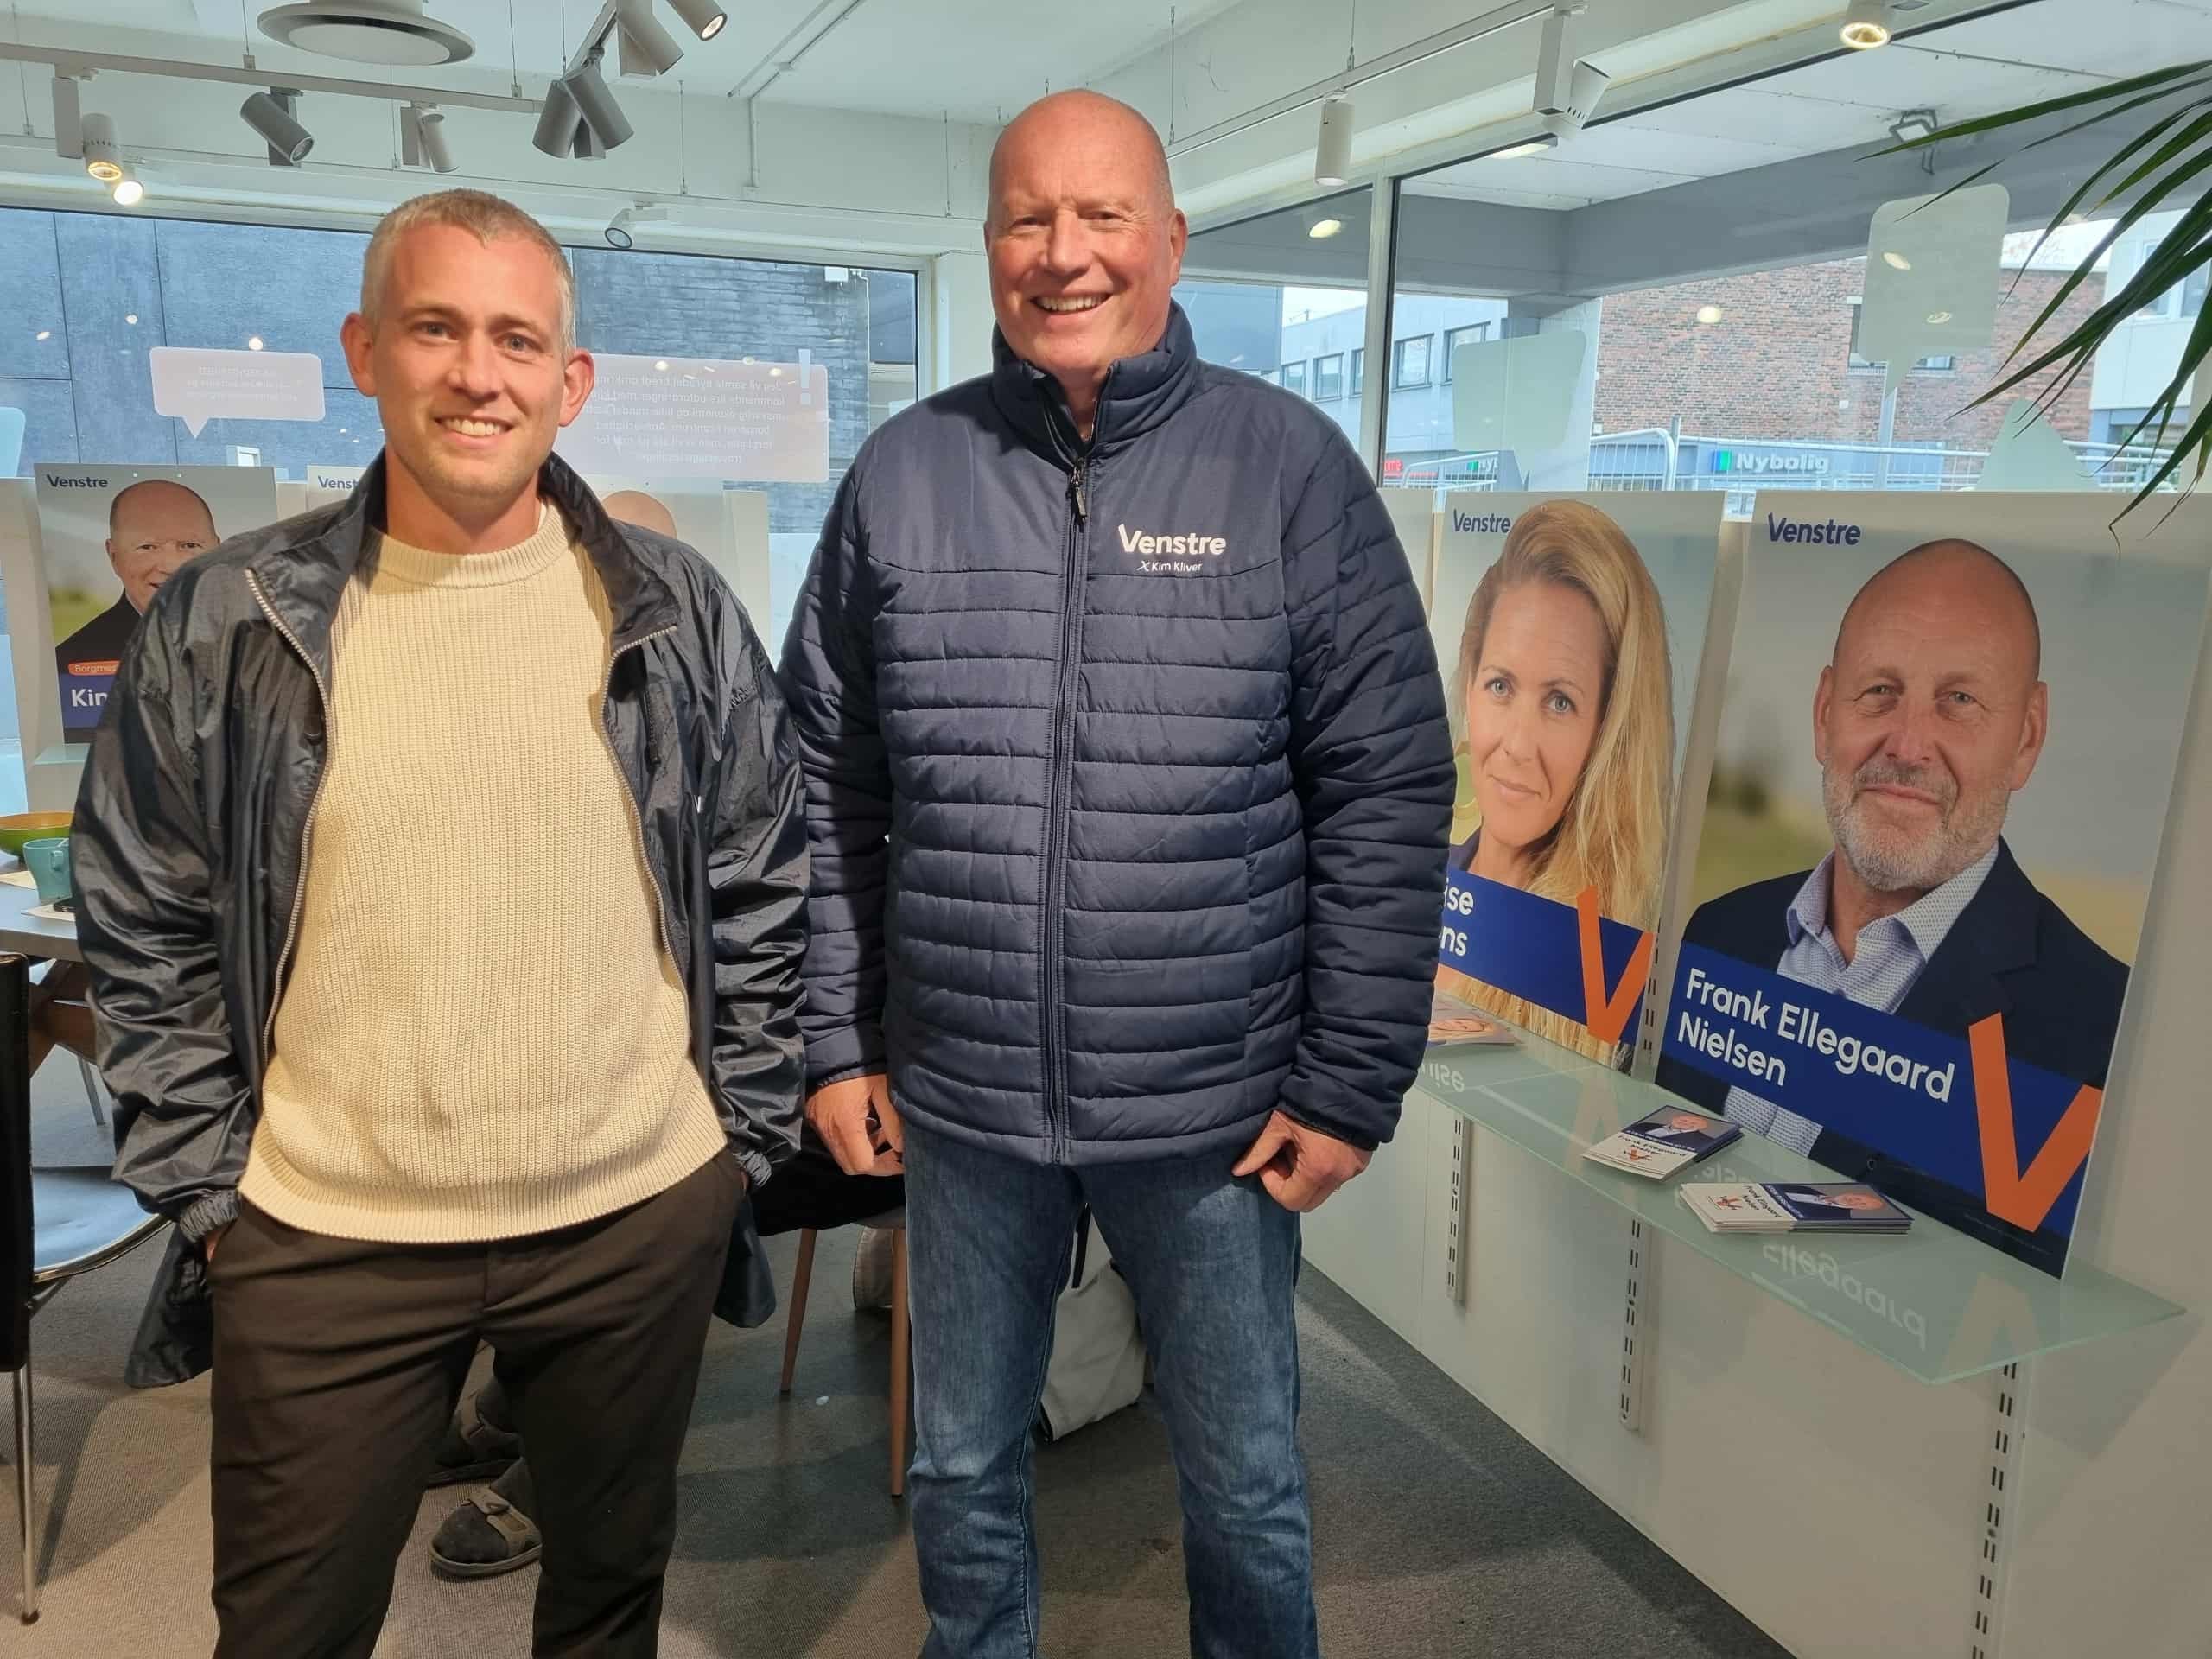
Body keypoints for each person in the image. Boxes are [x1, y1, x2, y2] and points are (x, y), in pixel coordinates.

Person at [73, 187, 807, 1659]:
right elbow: (143, 912)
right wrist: (214, 1199)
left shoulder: (678, 608)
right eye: (436, 329)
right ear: (366, 350)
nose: (479, 373)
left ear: (569, 379)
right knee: (286, 1628)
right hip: (323, 1230)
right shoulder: (228, 617)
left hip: (632, 1213)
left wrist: (737, 1146)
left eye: (517, 339)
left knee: (607, 1607)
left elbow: (762, 871)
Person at [781, 90, 1454, 1659]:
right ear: (989, 243)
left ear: (1170, 241)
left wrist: (1350, 1081)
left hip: (1214, 1106)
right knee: (959, 1467)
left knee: (1246, 1482)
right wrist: (835, 1040)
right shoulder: (905, 472)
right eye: (1029, 218)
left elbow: (1385, 784)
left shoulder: (1288, 470)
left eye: (1102, 217)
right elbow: (823, 782)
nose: (1064, 253)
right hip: (964, 1099)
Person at [1656, 539, 2126, 1264]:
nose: (1907, 745)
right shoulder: (1722, 931)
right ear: (1825, 715)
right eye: (1879, 690)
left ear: (2027, 739)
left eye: (1959, 701)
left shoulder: (2099, 1033)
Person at [1434, 499, 1675, 1063]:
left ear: (1608, 732)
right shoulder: (1413, 882)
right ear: (1470, 687)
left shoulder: (1607, 961)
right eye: (1500, 686)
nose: (1518, 745)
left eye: (1560, 701)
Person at [54, 477, 219, 738]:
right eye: (147, 547)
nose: (171, 566)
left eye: (189, 545)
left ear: (218, 550)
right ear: (114, 557)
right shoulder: (71, 661)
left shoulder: (257, 644)